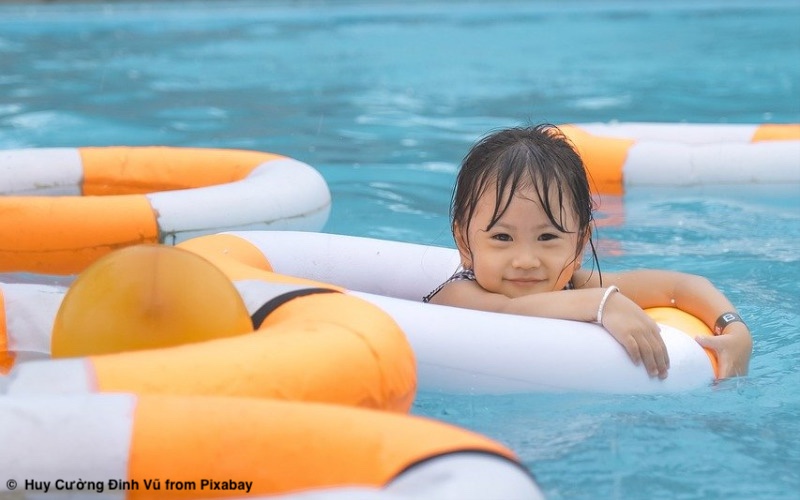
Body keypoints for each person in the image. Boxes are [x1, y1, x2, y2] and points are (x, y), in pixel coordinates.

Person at [424, 124, 752, 379]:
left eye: (548, 236)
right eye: (502, 237)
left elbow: (680, 288)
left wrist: (734, 329)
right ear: (465, 243)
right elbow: (507, 312)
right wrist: (600, 303)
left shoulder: (575, 283)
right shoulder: (457, 296)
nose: (526, 261)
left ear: (580, 243)